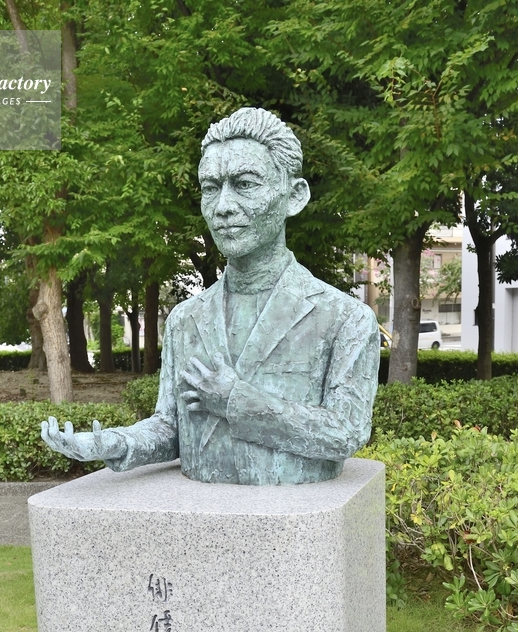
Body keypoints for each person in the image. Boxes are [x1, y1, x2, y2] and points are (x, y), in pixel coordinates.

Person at [41, 107, 380, 485]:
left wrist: (237, 401)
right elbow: (172, 426)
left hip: (294, 505)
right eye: (210, 188)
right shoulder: (185, 320)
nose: (223, 206)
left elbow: (346, 431)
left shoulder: (344, 318)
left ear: (294, 196)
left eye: (245, 184)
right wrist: (117, 443)